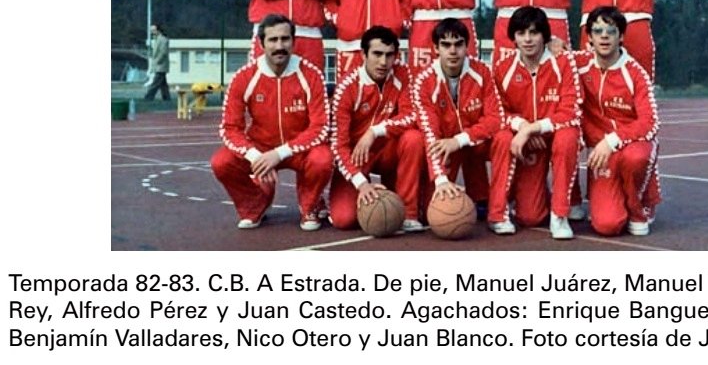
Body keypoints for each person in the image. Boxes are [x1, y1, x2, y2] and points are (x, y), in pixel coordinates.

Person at [210, 14, 333, 231]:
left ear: (293, 41)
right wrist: (256, 157)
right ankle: (254, 204)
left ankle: (310, 205)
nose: (279, 46)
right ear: (261, 43)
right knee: (222, 162)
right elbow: (230, 128)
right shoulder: (244, 77)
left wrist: (280, 154)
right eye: (273, 40)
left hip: (299, 149)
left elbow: (320, 127)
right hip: (262, 147)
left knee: (322, 158)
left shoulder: (311, 75)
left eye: (285, 39)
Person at [489, 7, 581, 239]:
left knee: (569, 135)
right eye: (521, 33)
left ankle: (560, 214)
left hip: (554, 134)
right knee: (530, 217)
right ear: (513, 37)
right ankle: (501, 210)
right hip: (529, 141)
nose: (528, 39)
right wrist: (523, 128)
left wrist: (535, 127)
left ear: (545, 36)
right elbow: (499, 111)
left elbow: (571, 111)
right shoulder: (503, 68)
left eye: (534, 32)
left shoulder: (563, 63)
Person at [329, 26, 425, 232]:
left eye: (389, 55)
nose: (383, 62)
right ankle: (339, 198)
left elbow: (412, 116)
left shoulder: (403, 74)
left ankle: (409, 212)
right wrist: (361, 183)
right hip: (356, 157)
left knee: (414, 138)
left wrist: (375, 131)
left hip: (387, 151)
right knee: (344, 220)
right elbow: (339, 146)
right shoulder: (347, 88)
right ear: (363, 54)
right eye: (377, 54)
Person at [575, 6, 660, 236]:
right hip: (602, 154)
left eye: (611, 31)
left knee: (636, 157)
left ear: (621, 36)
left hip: (629, 144)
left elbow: (650, 122)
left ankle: (639, 207)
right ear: (589, 38)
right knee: (607, 225)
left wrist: (611, 141)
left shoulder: (635, 73)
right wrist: (553, 41)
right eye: (598, 30)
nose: (604, 36)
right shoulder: (578, 64)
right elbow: (548, 57)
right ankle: (610, 198)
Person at [411, 18, 504, 209]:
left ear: (467, 46)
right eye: (446, 45)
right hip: (444, 146)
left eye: (458, 44)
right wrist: (440, 179)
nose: (453, 51)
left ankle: (493, 199)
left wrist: (460, 139)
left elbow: (495, 118)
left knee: (504, 137)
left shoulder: (482, 71)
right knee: (436, 208)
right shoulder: (424, 81)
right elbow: (430, 132)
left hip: (475, 143)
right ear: (436, 49)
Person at [143, 24, 170, 101]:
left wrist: (157, 62)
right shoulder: (157, 39)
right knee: (163, 85)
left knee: (155, 83)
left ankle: (148, 97)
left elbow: (163, 52)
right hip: (159, 65)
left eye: (153, 30)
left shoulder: (163, 40)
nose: (152, 32)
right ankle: (167, 98)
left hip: (161, 65)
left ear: (158, 30)